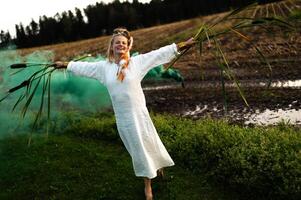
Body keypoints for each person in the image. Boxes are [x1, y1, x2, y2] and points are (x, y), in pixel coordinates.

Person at [55, 27, 194, 200]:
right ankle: (148, 183)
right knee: (138, 150)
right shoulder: (103, 68)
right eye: (117, 43)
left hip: (140, 115)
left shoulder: (137, 63)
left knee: (150, 142)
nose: (120, 45)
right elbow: (85, 67)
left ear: (128, 46)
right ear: (111, 46)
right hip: (124, 119)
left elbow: (158, 54)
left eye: (123, 43)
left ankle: (156, 171)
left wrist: (180, 46)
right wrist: (66, 65)